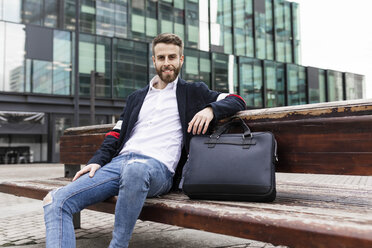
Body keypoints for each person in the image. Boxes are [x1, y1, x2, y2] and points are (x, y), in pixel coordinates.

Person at [43, 33, 246, 248]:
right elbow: (116, 133)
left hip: (157, 170)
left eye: (172, 57)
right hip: (117, 166)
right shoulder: (136, 98)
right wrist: (97, 160)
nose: (167, 63)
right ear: (154, 61)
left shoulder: (194, 92)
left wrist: (210, 109)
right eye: (161, 58)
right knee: (56, 201)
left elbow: (238, 100)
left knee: (135, 169)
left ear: (181, 60)